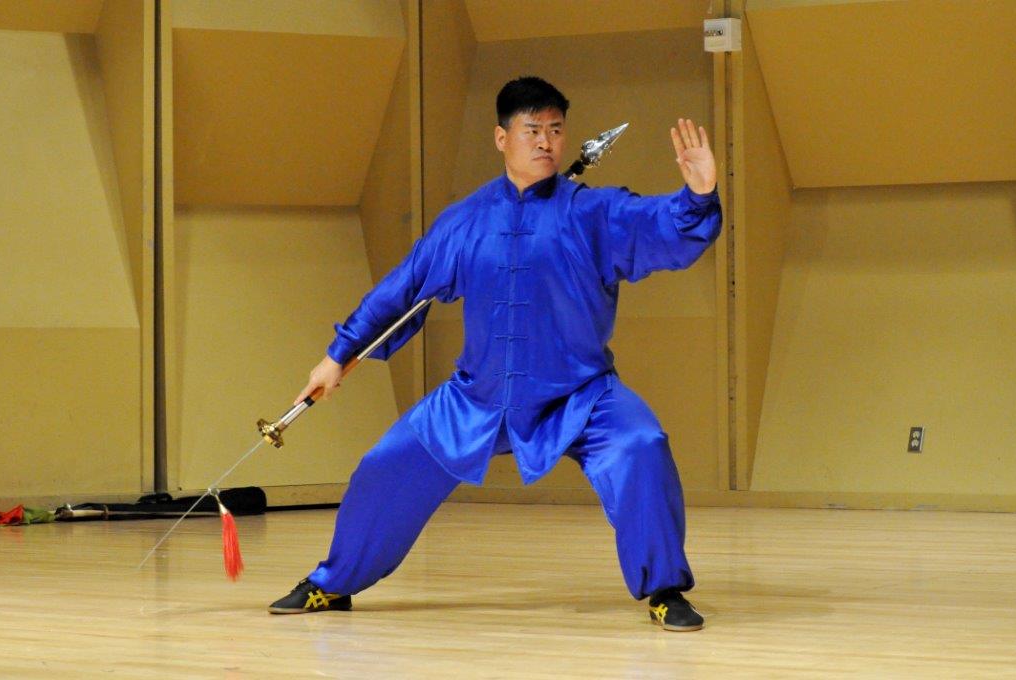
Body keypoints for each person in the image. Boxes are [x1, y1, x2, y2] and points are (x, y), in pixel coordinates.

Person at [268, 77, 721, 632]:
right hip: (478, 395)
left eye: (556, 130)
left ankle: (664, 589)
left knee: (642, 446)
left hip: (582, 395)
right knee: (385, 464)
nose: (546, 142)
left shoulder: (593, 213)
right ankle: (332, 583)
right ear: (501, 138)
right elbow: (402, 288)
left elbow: (661, 227)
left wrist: (697, 196)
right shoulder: (465, 222)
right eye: (532, 130)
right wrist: (337, 356)